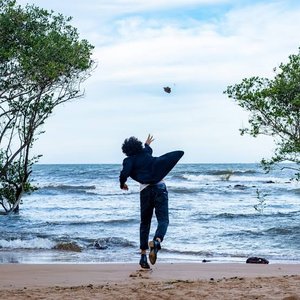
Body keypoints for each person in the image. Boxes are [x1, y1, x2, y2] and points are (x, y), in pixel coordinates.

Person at [119, 134, 184, 269]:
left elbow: (124, 173)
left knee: (145, 223)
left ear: (126, 150)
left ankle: (143, 257)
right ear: (138, 146)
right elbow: (148, 151)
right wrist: (147, 144)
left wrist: (122, 183)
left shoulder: (129, 161)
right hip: (160, 188)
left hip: (145, 191)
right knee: (163, 220)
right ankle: (157, 241)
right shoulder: (145, 153)